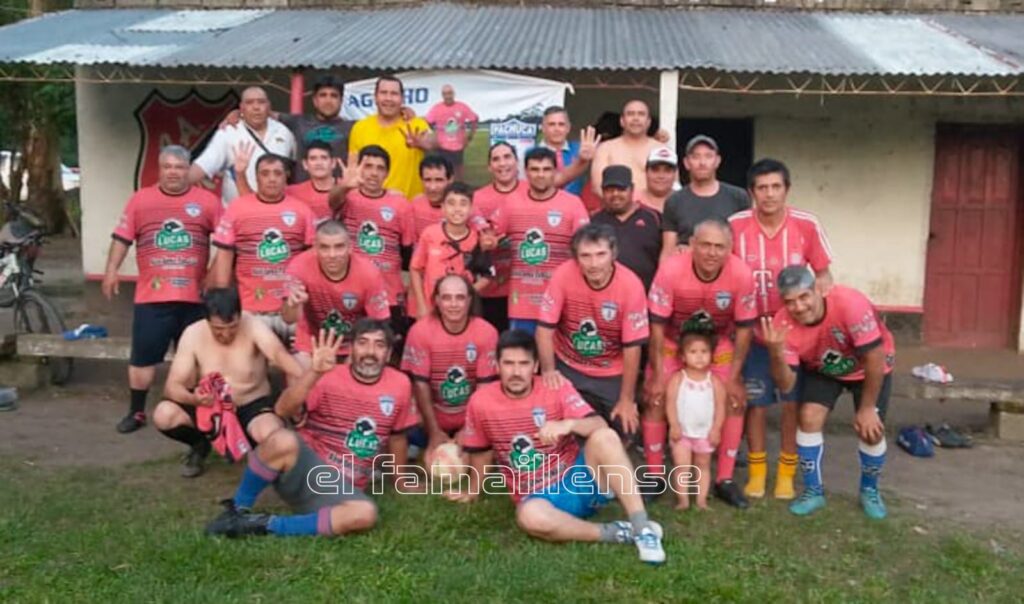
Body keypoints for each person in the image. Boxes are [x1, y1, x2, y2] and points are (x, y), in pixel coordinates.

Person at [454, 330, 666, 565]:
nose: (516, 372)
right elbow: (481, 451)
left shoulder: (554, 386)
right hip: (537, 496)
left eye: (523, 364)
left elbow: (598, 424)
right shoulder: (481, 402)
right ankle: (615, 533)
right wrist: (473, 490)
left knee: (605, 437)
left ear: (535, 366)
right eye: (509, 364)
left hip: (578, 479)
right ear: (497, 366)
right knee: (529, 517)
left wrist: (568, 424)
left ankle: (642, 528)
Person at [204, 320, 418, 538]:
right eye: (362, 343)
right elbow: (282, 410)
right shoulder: (328, 375)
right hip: (307, 472)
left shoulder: (400, 384)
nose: (370, 352)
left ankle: (262, 525)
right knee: (282, 439)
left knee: (365, 514)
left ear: (388, 353)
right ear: (351, 348)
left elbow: (397, 437)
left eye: (379, 345)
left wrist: (400, 481)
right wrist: (314, 373)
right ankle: (236, 510)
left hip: (343, 488)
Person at [728, 158, 834, 500]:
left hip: (796, 335)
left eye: (776, 186)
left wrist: (815, 312)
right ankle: (757, 471)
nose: (769, 194)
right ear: (751, 192)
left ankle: (786, 473)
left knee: (792, 404)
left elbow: (824, 276)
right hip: (753, 332)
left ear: (787, 189)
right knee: (756, 403)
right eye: (762, 188)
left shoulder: (806, 225)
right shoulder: (735, 226)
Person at [104, 145, 222, 434]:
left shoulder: (208, 202)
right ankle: (136, 411)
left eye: (179, 167)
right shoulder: (140, 200)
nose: (173, 172)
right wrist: (111, 271)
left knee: (193, 360)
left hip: (194, 298)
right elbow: (122, 238)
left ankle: (190, 410)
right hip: (151, 297)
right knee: (142, 358)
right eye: (167, 167)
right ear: (159, 169)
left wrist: (213, 274)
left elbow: (227, 242)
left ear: (188, 170)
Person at [762, 267, 895, 520]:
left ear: (818, 290)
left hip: (869, 367)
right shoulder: (782, 323)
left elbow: (874, 356)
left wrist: (867, 408)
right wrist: (776, 353)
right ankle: (813, 491)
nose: (799, 307)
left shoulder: (850, 303)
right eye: (790, 302)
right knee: (808, 417)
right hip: (824, 368)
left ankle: (869, 490)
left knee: (871, 430)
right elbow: (786, 385)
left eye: (804, 297)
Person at [645, 218, 756, 508]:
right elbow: (656, 326)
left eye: (719, 246)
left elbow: (745, 329)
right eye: (705, 245)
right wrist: (657, 375)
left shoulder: (742, 274)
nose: (712, 252)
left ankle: (724, 480)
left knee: (734, 400)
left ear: (730, 249)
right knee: (656, 398)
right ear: (692, 244)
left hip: (717, 343)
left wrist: (734, 378)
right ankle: (655, 477)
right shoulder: (670, 270)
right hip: (673, 340)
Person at [151, 287, 304, 477]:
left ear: (239, 316)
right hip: (210, 407)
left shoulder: (254, 325)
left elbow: (279, 355)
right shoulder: (193, 333)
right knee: (164, 415)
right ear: (207, 320)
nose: (226, 334)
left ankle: (257, 453)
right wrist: (194, 399)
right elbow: (172, 386)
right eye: (218, 329)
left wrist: (306, 379)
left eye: (232, 327)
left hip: (251, 404)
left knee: (271, 433)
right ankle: (199, 445)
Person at [536, 223, 649, 443]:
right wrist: (548, 371)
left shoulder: (630, 285)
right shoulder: (563, 274)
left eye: (600, 254)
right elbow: (544, 330)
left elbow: (633, 347)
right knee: (551, 427)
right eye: (585, 256)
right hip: (568, 363)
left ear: (613, 254)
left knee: (624, 429)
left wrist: (627, 399)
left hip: (611, 370)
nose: (594, 264)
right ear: (576, 257)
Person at [209, 154, 316, 340]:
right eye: (265, 173)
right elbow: (225, 255)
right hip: (250, 311)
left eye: (277, 173)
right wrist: (223, 300)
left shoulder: (303, 211)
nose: (272, 179)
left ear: (286, 176)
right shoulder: (237, 208)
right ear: (256, 177)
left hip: (291, 310)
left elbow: (312, 259)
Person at [494, 147, 589, 335]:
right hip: (522, 304)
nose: (540, 175)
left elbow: (585, 248)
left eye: (546, 169)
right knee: (521, 352)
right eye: (535, 169)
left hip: (561, 302)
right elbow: (491, 236)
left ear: (555, 171)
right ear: (525, 172)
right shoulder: (511, 202)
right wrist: (490, 241)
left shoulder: (573, 204)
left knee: (557, 354)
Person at [401, 275, 498, 456]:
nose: (454, 304)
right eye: (447, 298)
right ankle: (418, 443)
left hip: (469, 415)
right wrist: (433, 431)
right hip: (430, 416)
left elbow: (484, 389)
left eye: (460, 297)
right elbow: (419, 385)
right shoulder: (420, 332)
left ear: (470, 300)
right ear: (437, 301)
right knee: (403, 405)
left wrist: (468, 429)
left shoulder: (487, 333)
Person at [281, 220, 391, 369]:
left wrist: (357, 353)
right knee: (298, 371)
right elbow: (288, 319)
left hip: (354, 341)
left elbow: (380, 324)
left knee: (355, 374)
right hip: (312, 340)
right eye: (324, 247)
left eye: (339, 247)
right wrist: (293, 305)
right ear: (315, 248)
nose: (332, 255)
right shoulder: (298, 267)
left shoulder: (369, 273)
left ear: (350, 247)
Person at [332, 145, 414, 339]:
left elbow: (407, 251)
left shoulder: (400, 204)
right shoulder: (348, 197)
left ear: (387, 173)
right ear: (359, 169)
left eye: (380, 168)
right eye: (368, 166)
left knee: (389, 346)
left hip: (389, 294)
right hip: (352, 291)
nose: (373, 173)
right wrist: (344, 186)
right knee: (352, 345)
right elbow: (332, 202)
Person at [191, 86, 295, 205]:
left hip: (277, 209)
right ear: (241, 107)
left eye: (261, 102)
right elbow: (203, 165)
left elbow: (294, 171)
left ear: (268, 106)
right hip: (237, 210)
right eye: (249, 102)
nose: (256, 107)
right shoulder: (228, 132)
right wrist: (181, 183)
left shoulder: (285, 132)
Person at [409, 182, 493, 319]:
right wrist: (421, 305)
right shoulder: (429, 234)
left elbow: (488, 275)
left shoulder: (478, 239)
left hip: (463, 313)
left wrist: (466, 292)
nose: (457, 209)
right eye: (451, 203)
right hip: (431, 309)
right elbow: (415, 269)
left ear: (471, 209)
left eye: (463, 204)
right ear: (442, 208)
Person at [660, 135, 749, 263]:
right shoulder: (674, 201)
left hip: (727, 268)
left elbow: (745, 243)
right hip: (687, 269)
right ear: (686, 163)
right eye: (696, 157)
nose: (702, 163)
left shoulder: (738, 197)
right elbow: (668, 250)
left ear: (717, 161)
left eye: (708, 156)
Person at [665, 331, 726, 511]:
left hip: (705, 433)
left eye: (704, 351)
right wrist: (674, 425)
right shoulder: (678, 378)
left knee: (703, 466)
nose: (699, 356)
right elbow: (670, 403)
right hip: (682, 433)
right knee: (681, 466)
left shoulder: (714, 381)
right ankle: (683, 500)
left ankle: (701, 500)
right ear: (683, 357)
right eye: (693, 352)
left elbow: (721, 407)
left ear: (711, 355)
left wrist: (716, 429)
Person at [348, 75, 436, 199]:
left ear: (402, 99)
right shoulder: (360, 128)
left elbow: (433, 142)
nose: (388, 98)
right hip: (370, 205)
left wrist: (422, 142)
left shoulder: (415, 124)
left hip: (407, 205)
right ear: (375, 97)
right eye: (384, 93)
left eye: (394, 94)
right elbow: (352, 171)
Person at [471, 142, 527, 332]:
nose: (502, 163)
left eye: (507, 157)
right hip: (491, 290)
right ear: (489, 167)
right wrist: (483, 243)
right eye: (496, 159)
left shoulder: (532, 192)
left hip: (527, 288)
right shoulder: (477, 198)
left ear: (517, 162)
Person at [589, 165, 661, 292]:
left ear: (632, 189)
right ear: (602, 191)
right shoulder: (593, 221)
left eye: (621, 189)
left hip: (646, 293)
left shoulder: (654, 218)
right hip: (604, 294)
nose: (615, 194)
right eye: (609, 190)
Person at [590, 100, 663, 199]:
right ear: (622, 121)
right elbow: (597, 186)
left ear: (648, 122)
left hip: (653, 207)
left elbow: (673, 185)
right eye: (630, 114)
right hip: (616, 206)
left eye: (641, 114)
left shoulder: (660, 149)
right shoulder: (605, 148)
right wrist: (623, 205)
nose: (636, 118)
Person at [538, 106, 600, 197]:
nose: (557, 129)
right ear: (542, 128)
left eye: (561, 124)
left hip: (576, 202)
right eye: (551, 124)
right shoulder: (532, 153)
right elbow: (549, 184)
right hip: (543, 203)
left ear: (568, 128)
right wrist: (581, 161)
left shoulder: (581, 148)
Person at [425, 85, 478, 180]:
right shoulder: (437, 108)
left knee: (458, 173)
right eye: (445, 94)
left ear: (453, 94)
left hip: (457, 146)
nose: (448, 96)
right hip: (442, 147)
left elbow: (474, 119)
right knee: (443, 172)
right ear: (442, 95)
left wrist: (470, 136)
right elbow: (427, 122)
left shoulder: (462, 107)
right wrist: (433, 136)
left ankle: (458, 186)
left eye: (449, 93)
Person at [283, 140, 337, 223]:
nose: (319, 163)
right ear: (305, 164)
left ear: (333, 163)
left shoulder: (347, 189)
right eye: (313, 158)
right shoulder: (292, 192)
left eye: (324, 158)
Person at [410, 155, 454, 242]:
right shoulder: (414, 206)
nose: (432, 187)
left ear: (450, 179)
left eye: (439, 180)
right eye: (427, 180)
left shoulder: (462, 209)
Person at [639, 147, 679, 215]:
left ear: (675, 174)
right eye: (655, 170)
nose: (661, 176)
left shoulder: (686, 201)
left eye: (667, 171)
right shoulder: (631, 201)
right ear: (646, 172)